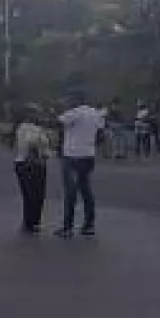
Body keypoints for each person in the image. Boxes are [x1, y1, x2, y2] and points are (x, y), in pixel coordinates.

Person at [56, 91, 105, 237]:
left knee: (70, 192)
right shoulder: (96, 114)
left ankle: (67, 227)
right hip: (89, 155)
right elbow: (101, 136)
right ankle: (89, 225)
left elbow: (57, 123)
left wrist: (58, 110)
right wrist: (89, 143)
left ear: (76, 99)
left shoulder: (74, 113)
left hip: (72, 155)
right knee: (86, 190)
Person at [13, 107, 51, 233]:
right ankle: (31, 222)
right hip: (29, 164)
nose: (38, 115)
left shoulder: (33, 128)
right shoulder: (25, 128)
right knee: (32, 194)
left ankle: (32, 221)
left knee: (36, 194)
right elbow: (31, 143)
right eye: (35, 113)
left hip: (33, 163)